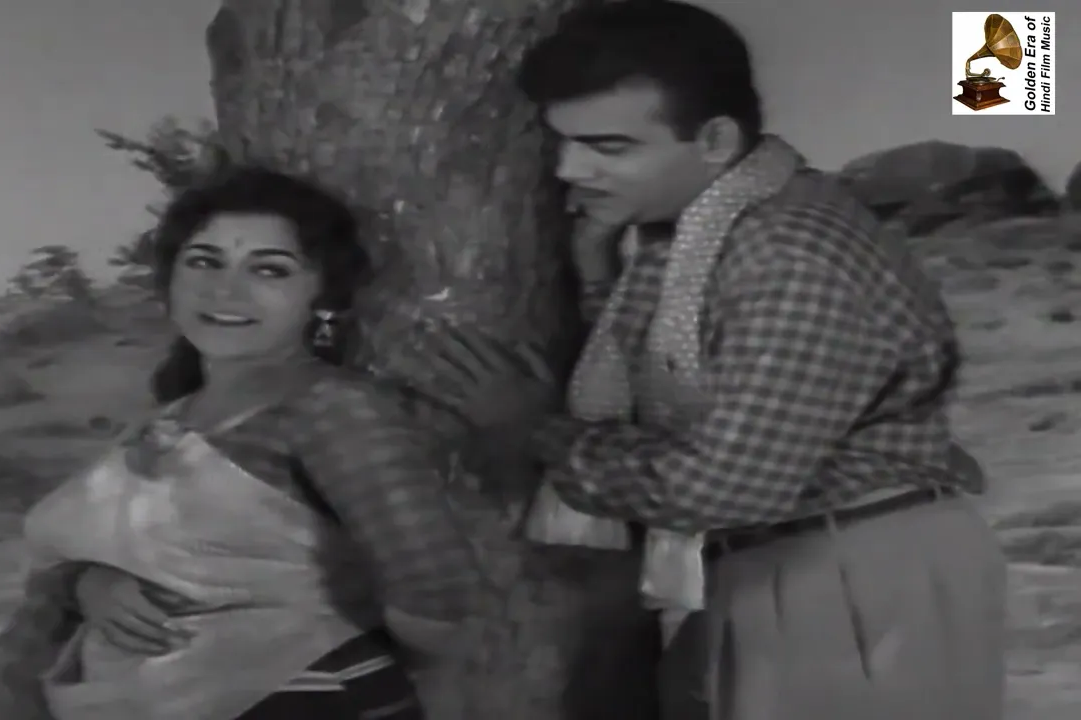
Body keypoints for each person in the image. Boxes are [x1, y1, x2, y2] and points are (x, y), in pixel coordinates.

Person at [428, 2, 1007, 719]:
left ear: (714, 139)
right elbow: (685, 374)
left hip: (849, 571)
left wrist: (537, 432)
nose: (570, 169)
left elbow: (722, 488)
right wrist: (599, 278)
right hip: (802, 562)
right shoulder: (710, 228)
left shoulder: (784, 254)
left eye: (609, 146)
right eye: (563, 142)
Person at [0, 167, 485, 720]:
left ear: (324, 297)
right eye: (204, 261)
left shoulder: (330, 409)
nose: (225, 289)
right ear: (170, 278)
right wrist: (89, 583)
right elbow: (94, 549)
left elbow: (435, 587)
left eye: (269, 269)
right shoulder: (170, 418)